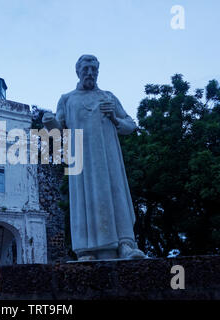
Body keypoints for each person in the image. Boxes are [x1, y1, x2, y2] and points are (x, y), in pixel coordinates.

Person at [42, 54, 146, 260]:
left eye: (94, 70)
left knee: (115, 195)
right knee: (83, 199)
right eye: (86, 69)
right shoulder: (67, 99)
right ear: (78, 71)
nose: (90, 73)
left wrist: (115, 118)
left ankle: (125, 244)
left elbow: (130, 125)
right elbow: (59, 129)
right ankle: (86, 250)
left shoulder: (108, 96)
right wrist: (49, 122)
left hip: (109, 157)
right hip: (81, 157)